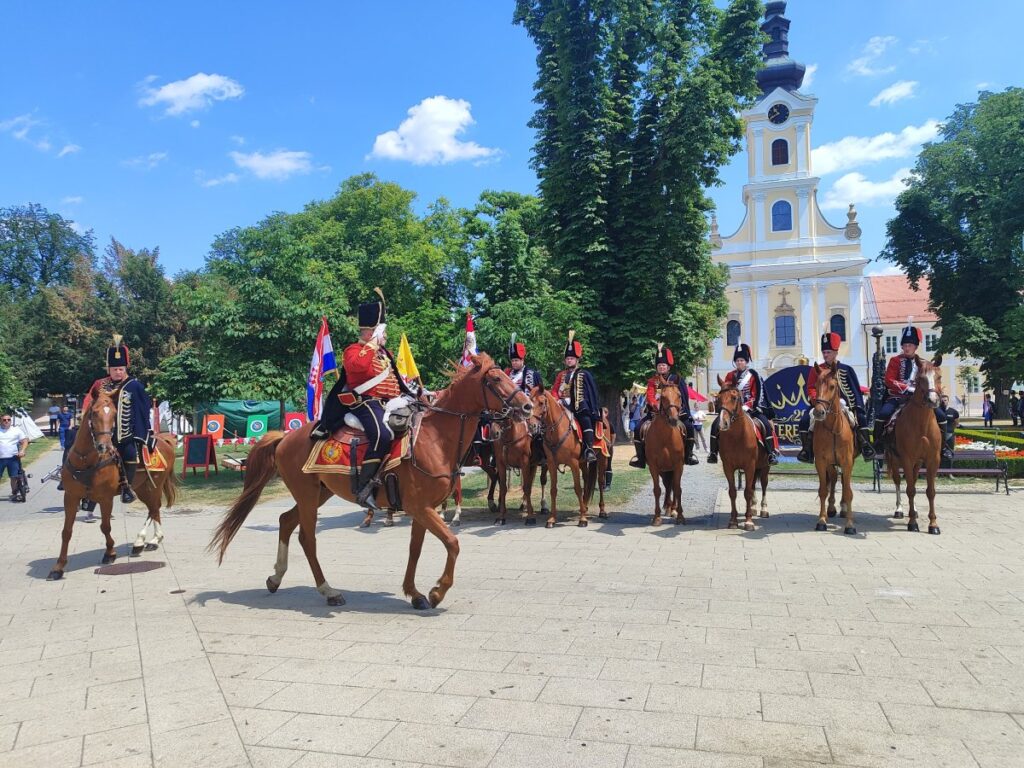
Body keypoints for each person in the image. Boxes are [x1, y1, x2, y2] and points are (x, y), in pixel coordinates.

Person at [311, 295, 416, 510]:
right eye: (382, 332)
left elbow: (396, 380)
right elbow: (358, 368)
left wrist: (418, 395)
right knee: (382, 434)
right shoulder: (353, 351)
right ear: (370, 332)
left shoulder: (384, 354)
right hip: (364, 402)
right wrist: (372, 344)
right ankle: (364, 487)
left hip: (390, 403)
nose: (386, 336)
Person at [82, 335, 153, 503]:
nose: (118, 372)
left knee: (129, 453)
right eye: (114, 369)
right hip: (101, 432)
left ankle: (126, 488)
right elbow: (88, 401)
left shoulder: (134, 385)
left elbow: (144, 408)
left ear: (125, 368)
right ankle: (76, 484)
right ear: (109, 370)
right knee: (81, 450)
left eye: (121, 369)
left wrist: (142, 430)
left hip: (125, 433)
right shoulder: (100, 385)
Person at [874, 324, 954, 461]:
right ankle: (878, 443)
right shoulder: (895, 361)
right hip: (898, 397)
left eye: (910, 345)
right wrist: (906, 388)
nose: (906, 348)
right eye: (904, 345)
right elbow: (889, 380)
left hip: (920, 399)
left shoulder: (924, 363)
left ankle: (945, 446)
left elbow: (931, 381)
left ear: (916, 347)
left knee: (941, 415)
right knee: (884, 414)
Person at [797, 332, 874, 463]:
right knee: (805, 420)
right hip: (821, 402)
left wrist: (862, 393)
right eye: (824, 352)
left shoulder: (846, 369)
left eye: (828, 352)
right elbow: (810, 387)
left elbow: (853, 387)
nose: (825, 355)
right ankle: (807, 450)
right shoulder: (817, 369)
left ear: (836, 352)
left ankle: (865, 445)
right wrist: (816, 401)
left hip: (843, 403)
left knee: (860, 418)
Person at [707, 343, 779, 465]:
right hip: (732, 409)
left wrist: (747, 405)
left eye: (742, 360)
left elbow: (757, 394)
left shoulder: (753, 375)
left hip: (750, 409)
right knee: (715, 425)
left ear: (746, 362)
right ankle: (713, 453)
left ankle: (770, 453)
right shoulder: (730, 375)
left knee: (765, 424)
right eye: (737, 360)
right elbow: (726, 391)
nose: (739, 363)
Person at [629, 344, 699, 468]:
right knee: (638, 428)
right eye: (659, 365)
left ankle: (689, 455)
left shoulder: (676, 379)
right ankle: (640, 458)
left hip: (675, 413)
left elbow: (682, 396)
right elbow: (650, 395)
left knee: (689, 427)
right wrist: (655, 405)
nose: (661, 367)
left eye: (663, 365)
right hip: (656, 413)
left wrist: (677, 409)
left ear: (668, 366)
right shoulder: (652, 381)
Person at [551, 331, 601, 463]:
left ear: (577, 360)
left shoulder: (584, 374)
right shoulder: (561, 375)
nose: (569, 360)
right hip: (562, 405)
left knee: (585, 419)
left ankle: (589, 449)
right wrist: (556, 399)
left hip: (579, 406)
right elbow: (555, 390)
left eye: (571, 358)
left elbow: (591, 392)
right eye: (567, 358)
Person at [0, 413, 29, 502]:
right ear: (1, 421)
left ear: (11, 421)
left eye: (8, 420)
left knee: (14, 477)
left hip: (13, 458)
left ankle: (14, 493)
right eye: (4, 420)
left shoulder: (16, 430)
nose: (6, 421)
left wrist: (22, 451)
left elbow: (24, 441)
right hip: (0, 458)